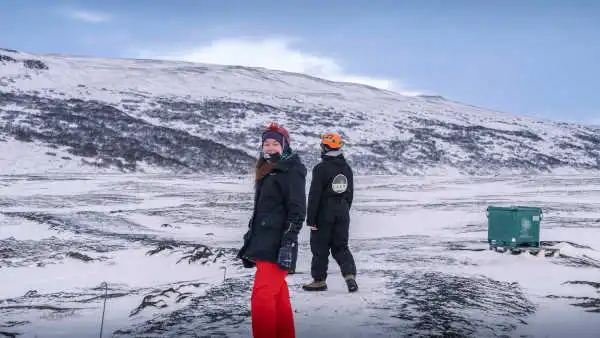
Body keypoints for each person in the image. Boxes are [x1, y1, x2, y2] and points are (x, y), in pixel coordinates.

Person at [237, 122, 307, 338]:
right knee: (278, 295)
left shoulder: (290, 170)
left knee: (262, 295)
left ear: (285, 146)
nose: (269, 147)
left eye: (275, 143)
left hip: (277, 242)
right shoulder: (267, 169)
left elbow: (297, 210)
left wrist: (288, 241)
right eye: (266, 143)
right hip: (263, 241)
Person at [302, 132, 358, 293]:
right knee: (341, 247)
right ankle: (350, 276)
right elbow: (350, 193)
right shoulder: (346, 168)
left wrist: (311, 220)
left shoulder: (320, 169)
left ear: (325, 148)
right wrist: (344, 211)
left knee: (320, 248)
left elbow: (314, 196)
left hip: (323, 214)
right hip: (342, 212)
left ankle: (319, 280)